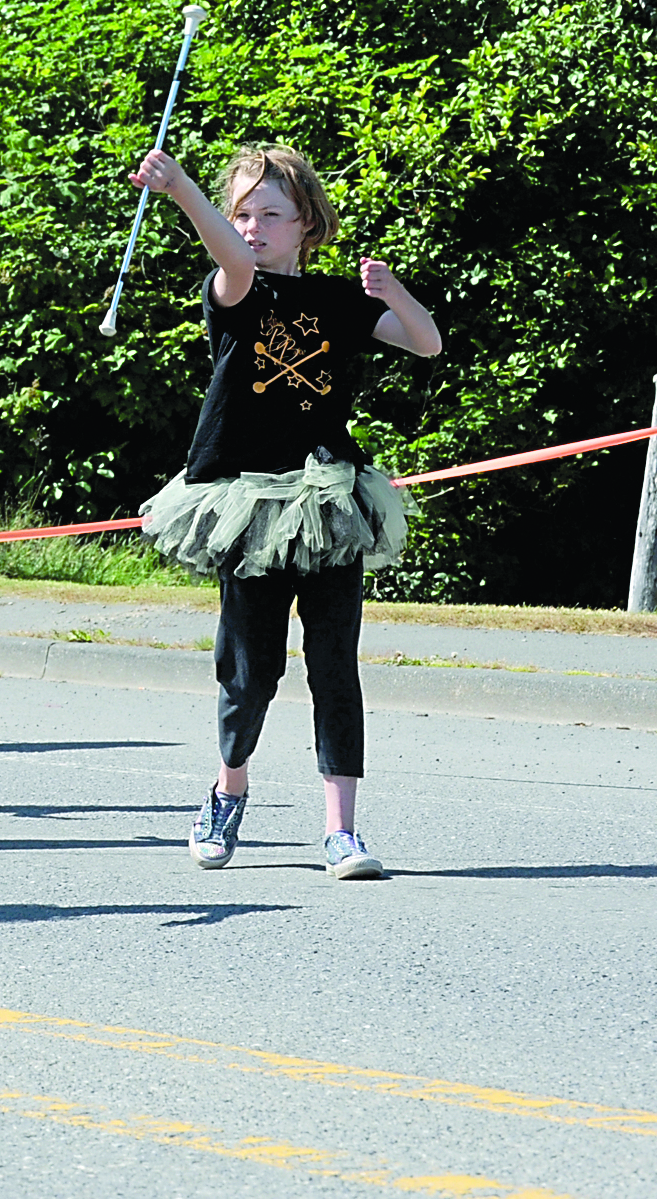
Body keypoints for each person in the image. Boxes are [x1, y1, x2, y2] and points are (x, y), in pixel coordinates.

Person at [128, 143, 442, 880]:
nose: (252, 226)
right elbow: (230, 259)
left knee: (334, 663)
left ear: (306, 223)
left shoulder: (337, 300)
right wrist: (180, 193)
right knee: (250, 668)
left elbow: (425, 343)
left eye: (269, 214)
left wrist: (392, 290)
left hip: (328, 498)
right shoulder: (236, 289)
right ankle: (226, 789)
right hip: (247, 501)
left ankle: (341, 830)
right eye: (240, 212)